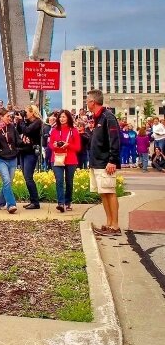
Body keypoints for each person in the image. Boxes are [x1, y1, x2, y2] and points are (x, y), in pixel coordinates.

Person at [87, 89, 122, 237]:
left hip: (105, 162)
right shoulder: (97, 118)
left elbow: (114, 139)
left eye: (87, 100)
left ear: (93, 102)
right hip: (97, 162)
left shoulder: (108, 117)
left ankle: (115, 225)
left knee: (109, 192)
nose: (86, 103)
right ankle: (109, 223)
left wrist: (112, 160)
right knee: (104, 193)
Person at [0, 107, 20, 213]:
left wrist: (25, 141)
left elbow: (17, 140)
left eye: (10, 116)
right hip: (0, 158)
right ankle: (11, 205)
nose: (9, 118)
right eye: (7, 116)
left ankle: (0, 203)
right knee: (6, 180)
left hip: (12, 158)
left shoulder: (11, 127)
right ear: (1, 117)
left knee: (8, 183)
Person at [49, 109, 81, 212]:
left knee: (69, 181)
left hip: (70, 159)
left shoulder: (74, 130)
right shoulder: (54, 130)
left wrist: (68, 145)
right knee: (59, 180)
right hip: (57, 158)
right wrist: (54, 146)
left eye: (64, 117)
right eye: (60, 117)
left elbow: (78, 147)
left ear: (68, 118)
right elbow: (50, 144)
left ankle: (68, 202)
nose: (62, 119)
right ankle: (61, 203)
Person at [18, 105, 43, 209]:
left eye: (27, 112)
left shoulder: (37, 122)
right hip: (23, 151)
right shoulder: (27, 122)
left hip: (31, 152)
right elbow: (19, 131)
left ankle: (35, 202)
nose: (25, 113)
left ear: (33, 112)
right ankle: (33, 200)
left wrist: (22, 121)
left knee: (28, 177)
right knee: (26, 177)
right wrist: (20, 120)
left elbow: (27, 131)